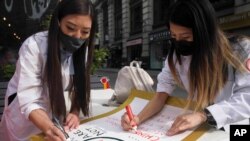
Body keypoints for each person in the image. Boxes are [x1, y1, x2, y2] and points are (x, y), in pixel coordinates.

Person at [121, 0, 250, 136]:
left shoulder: (241, 50)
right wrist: (138, 118)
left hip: (238, 127)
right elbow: (161, 94)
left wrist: (204, 115)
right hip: (201, 127)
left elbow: (247, 97)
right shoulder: (176, 57)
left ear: (204, 32)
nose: (179, 43)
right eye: (173, 36)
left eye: (186, 37)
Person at [0, 0, 96, 140]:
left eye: (85, 31)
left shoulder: (82, 52)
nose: (77, 37)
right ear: (57, 22)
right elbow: (29, 100)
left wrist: (75, 112)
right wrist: (49, 127)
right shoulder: (34, 46)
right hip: (23, 117)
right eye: (70, 27)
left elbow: (79, 87)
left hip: (51, 115)